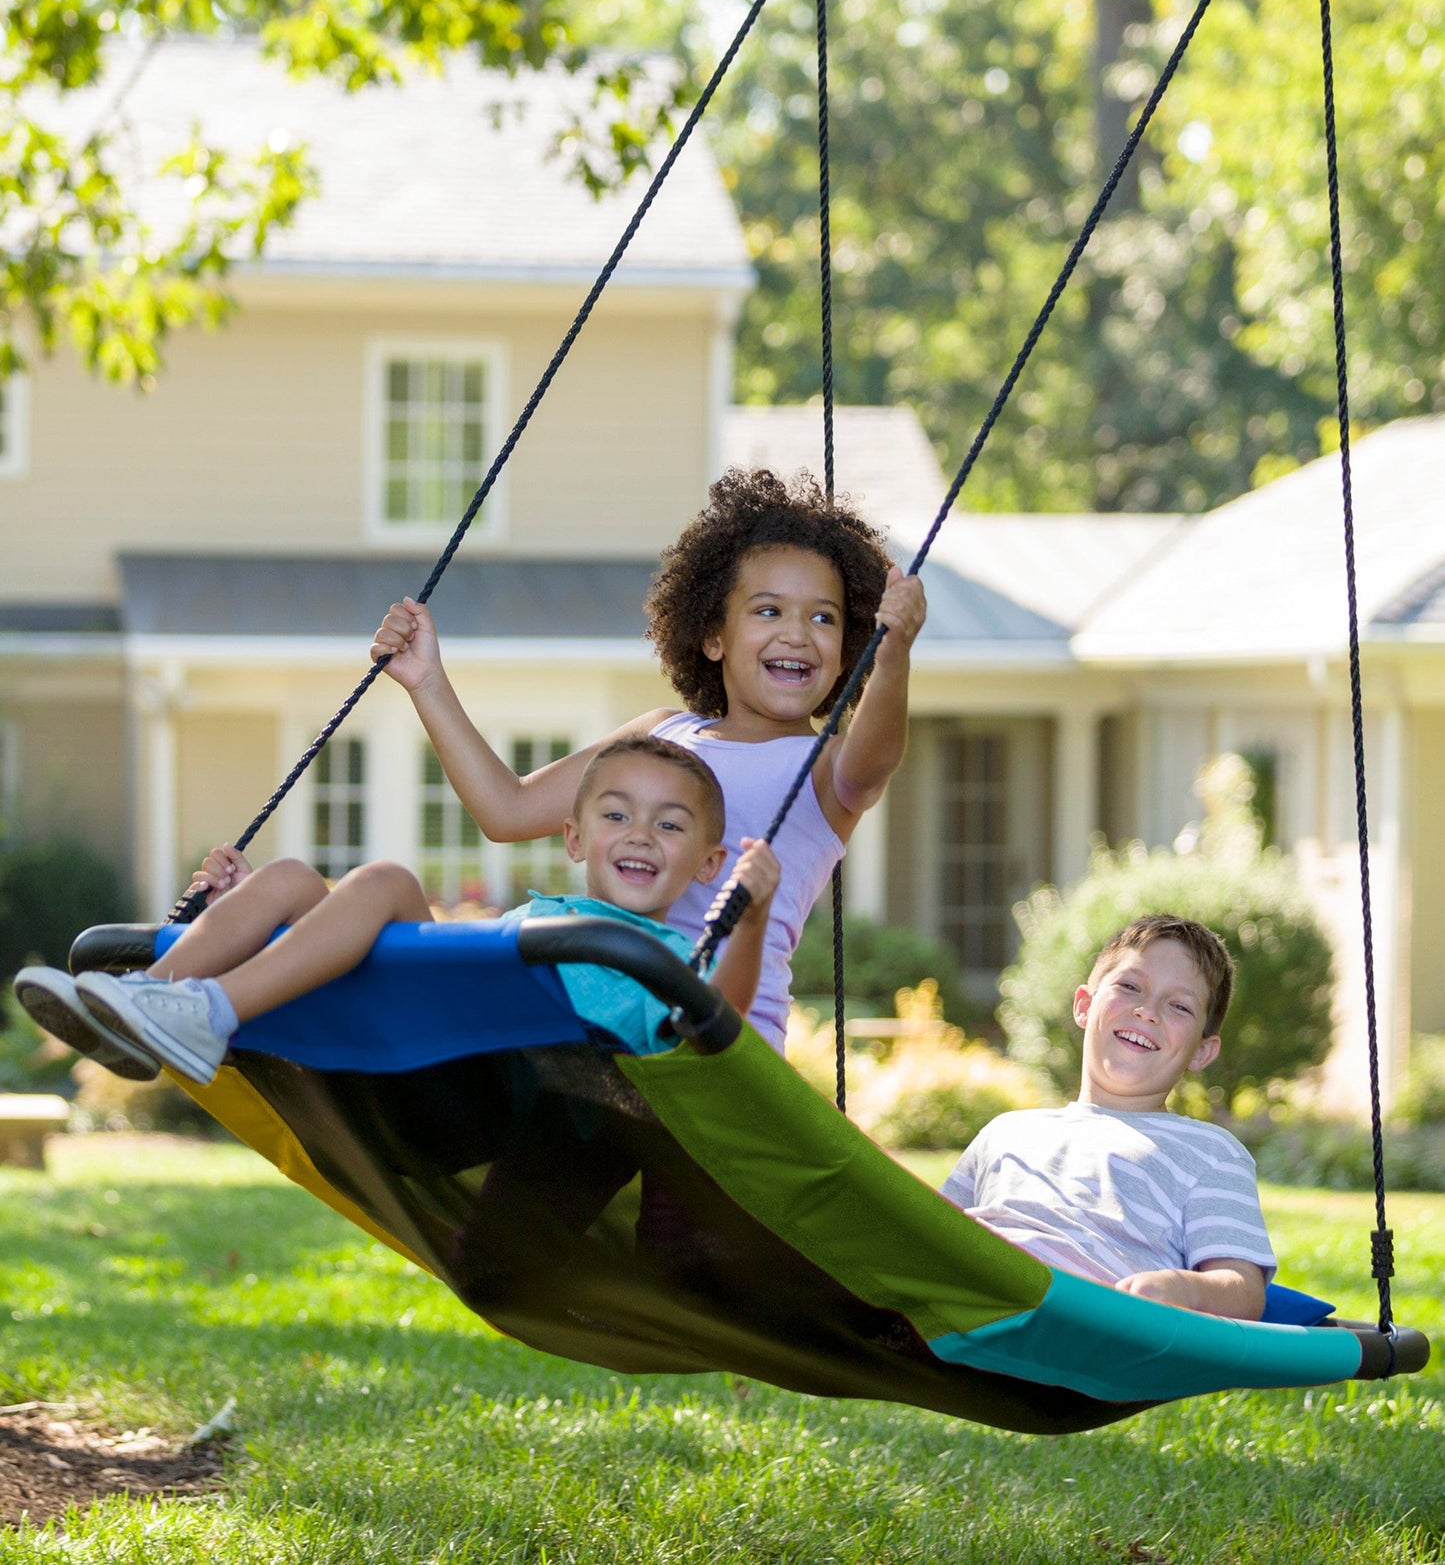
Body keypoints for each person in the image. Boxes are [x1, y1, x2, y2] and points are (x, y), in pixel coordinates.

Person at [364, 466, 927, 1053]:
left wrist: (892, 658)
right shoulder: (665, 734)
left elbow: (875, 757)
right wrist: (427, 682)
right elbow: (507, 810)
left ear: (849, 651)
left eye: (824, 617)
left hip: (714, 1041)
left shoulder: (825, 769)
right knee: (390, 910)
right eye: (768, 611)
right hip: (602, 1008)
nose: (797, 634)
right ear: (713, 636)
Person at [17, 737, 779, 1085]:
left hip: (499, 1056)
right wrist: (239, 914)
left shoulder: (660, 955)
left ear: (709, 867)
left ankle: (204, 1010)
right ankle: (144, 999)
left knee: (382, 879)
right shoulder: (555, 913)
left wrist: (746, 917)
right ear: (574, 837)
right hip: (449, 1010)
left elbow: (726, 1019)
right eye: (617, 815)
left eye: (670, 826)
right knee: (281, 878)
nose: (640, 834)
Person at [940, 915, 1275, 1320]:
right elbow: (932, 1236)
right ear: (1084, 1005)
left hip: (1090, 1321)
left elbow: (1243, 1289)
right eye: (1130, 986)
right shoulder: (1006, 1131)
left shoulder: (1210, 1152)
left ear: (1202, 1051)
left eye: (1179, 1006)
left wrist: (1182, 1288)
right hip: (969, 1298)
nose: (1147, 1011)